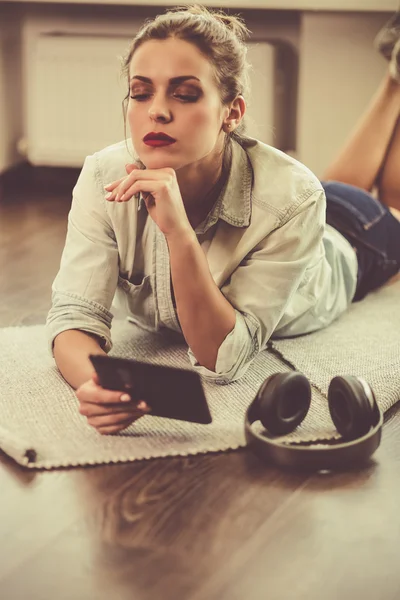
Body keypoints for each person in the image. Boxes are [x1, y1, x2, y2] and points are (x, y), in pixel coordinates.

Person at [46, 5, 400, 435]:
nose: (156, 111)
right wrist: (95, 384)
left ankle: (394, 83)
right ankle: (395, 76)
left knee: (386, 203)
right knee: (341, 185)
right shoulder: (103, 176)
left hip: (354, 242)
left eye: (185, 93)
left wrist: (177, 232)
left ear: (231, 112)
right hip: (304, 206)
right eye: (141, 93)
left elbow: (224, 357)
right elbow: (73, 316)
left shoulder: (294, 197)